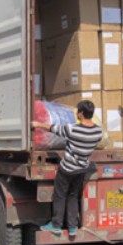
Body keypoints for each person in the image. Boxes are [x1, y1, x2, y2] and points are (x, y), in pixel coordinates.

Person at [32, 100, 103, 236]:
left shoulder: (73, 129)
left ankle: (56, 225)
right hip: (81, 169)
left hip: (67, 169)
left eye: (78, 112)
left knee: (60, 196)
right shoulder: (97, 132)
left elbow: (53, 128)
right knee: (73, 196)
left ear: (81, 114)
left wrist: (38, 124)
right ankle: (72, 227)